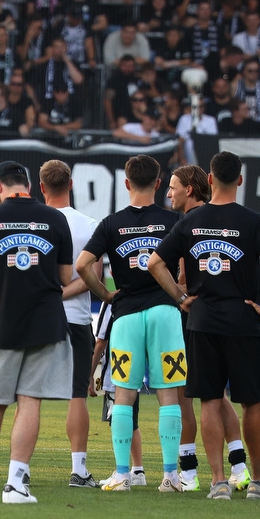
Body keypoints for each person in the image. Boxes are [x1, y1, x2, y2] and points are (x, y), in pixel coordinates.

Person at [148, 151, 260, 501]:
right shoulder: (253, 220)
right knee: (251, 404)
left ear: (209, 180)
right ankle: (259, 482)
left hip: (201, 321)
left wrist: (181, 298)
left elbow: (154, 263)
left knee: (209, 401)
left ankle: (218, 483)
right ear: (240, 180)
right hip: (243, 322)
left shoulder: (189, 222)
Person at [0, 161, 74, 504]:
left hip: (2, 323)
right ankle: (16, 485)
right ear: (30, 187)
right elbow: (66, 278)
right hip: (46, 323)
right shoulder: (56, 219)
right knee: (30, 402)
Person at [77, 155, 185, 493]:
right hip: (166, 313)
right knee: (169, 396)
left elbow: (83, 265)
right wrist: (180, 293)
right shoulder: (174, 220)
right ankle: (170, 476)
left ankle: (123, 474)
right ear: (157, 183)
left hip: (124, 317)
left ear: (126, 183)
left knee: (123, 396)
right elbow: (183, 266)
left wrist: (106, 295)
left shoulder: (111, 224)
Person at [165, 165, 249, 492]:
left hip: (193, 317)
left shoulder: (191, 222)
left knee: (190, 393)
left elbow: (185, 278)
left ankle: (188, 472)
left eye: (173, 187)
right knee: (218, 395)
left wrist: (172, 291)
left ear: (191, 188)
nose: (169, 193)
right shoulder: (215, 218)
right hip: (225, 315)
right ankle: (239, 465)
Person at [40, 160, 101, 488]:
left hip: (37, 318)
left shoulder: (33, 221)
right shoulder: (89, 224)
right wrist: (64, 293)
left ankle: (20, 469)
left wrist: (49, 296)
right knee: (78, 394)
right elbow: (95, 276)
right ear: (72, 184)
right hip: (76, 318)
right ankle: (79, 470)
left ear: (42, 187)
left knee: (28, 395)